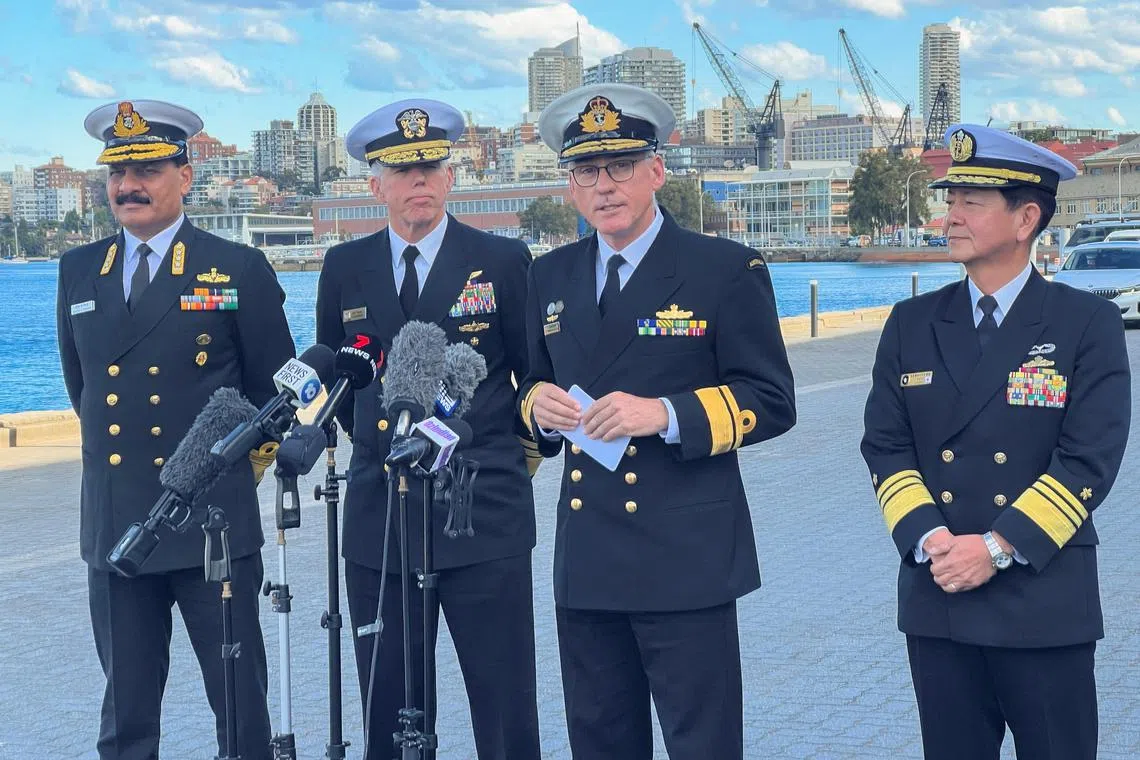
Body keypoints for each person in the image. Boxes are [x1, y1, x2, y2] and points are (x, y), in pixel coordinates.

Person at [519, 83, 796, 759]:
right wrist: (538, 409)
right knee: (600, 743)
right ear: (571, 186)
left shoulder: (723, 270)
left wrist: (665, 414)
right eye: (587, 170)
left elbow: (772, 398)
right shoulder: (547, 276)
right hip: (588, 559)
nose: (604, 186)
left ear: (656, 171)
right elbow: (526, 384)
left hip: (685, 556)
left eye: (620, 166)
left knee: (700, 744)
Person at [861, 124, 1131, 760]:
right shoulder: (911, 323)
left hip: (1040, 593)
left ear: (1025, 218)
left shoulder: (1084, 322)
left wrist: (997, 547)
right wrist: (934, 542)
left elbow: (1089, 459)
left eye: (970, 203)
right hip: (941, 592)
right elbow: (886, 447)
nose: (950, 216)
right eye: (949, 200)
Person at [56, 100, 296, 760]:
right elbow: (85, 396)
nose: (128, 187)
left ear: (184, 176)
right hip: (116, 528)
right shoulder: (79, 271)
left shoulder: (236, 268)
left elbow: (277, 395)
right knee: (127, 717)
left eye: (149, 170)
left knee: (241, 708)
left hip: (211, 524)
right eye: (117, 174)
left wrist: (222, 473)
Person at [315, 98, 543, 759]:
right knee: (388, 715)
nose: (418, 180)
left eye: (431, 166)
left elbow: (533, 385)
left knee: (503, 712)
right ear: (374, 184)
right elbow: (344, 378)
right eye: (400, 169)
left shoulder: (502, 261)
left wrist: (498, 463)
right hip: (379, 520)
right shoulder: (343, 267)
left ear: (451, 177)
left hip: (481, 518)